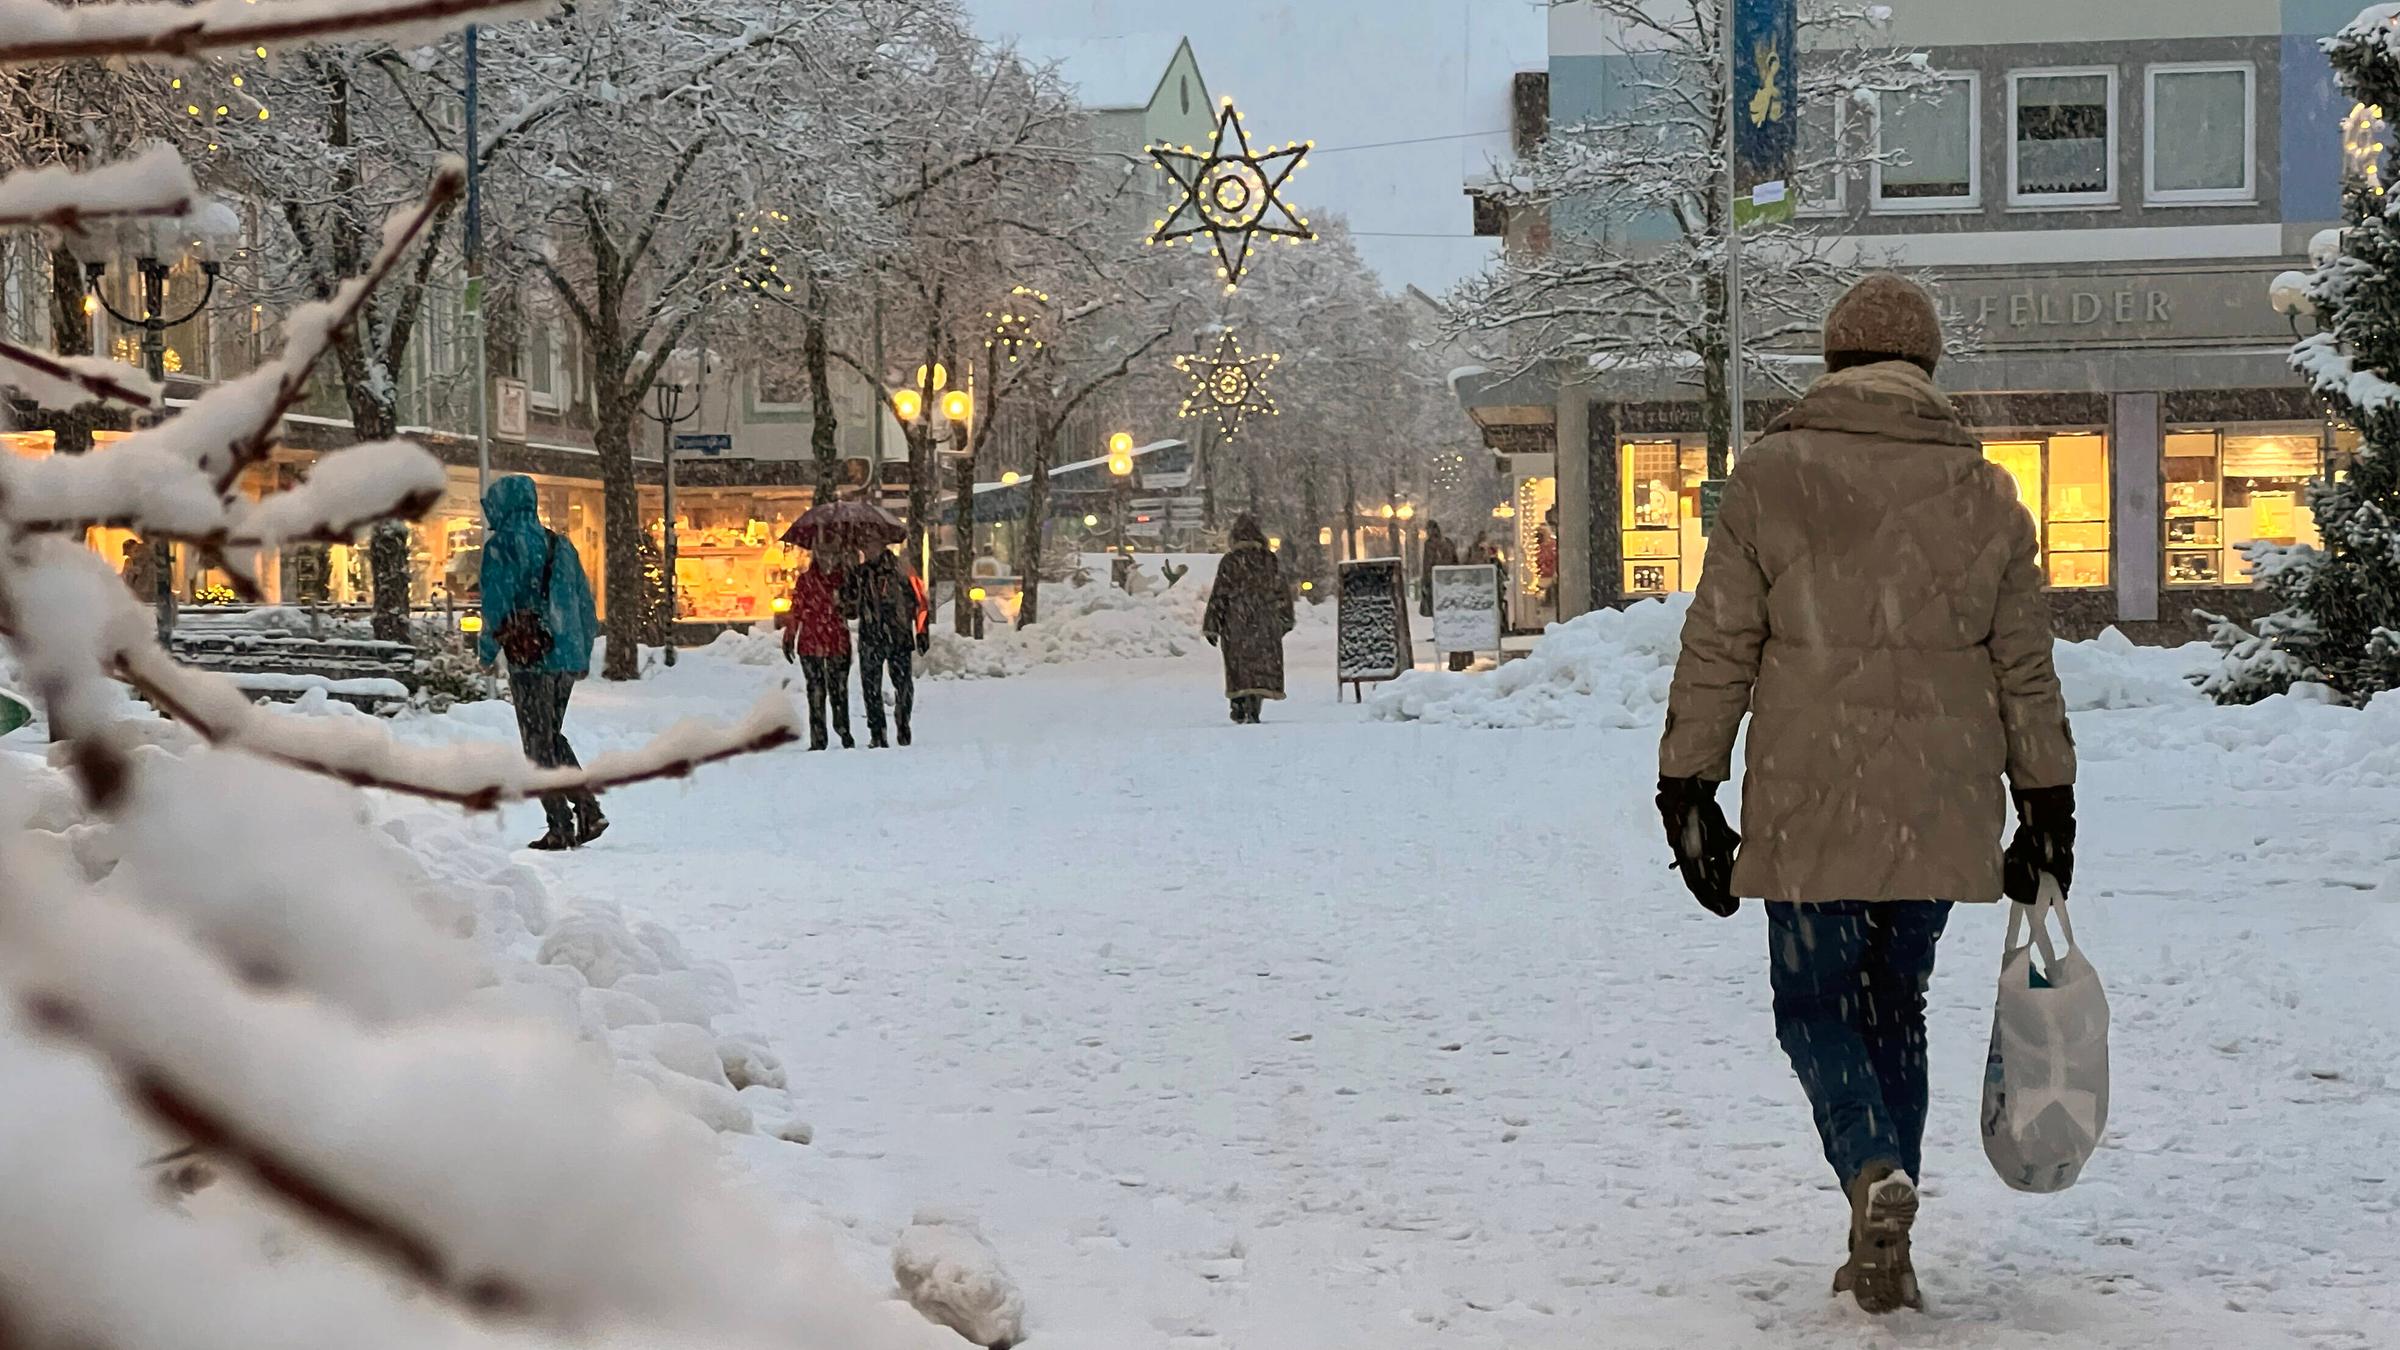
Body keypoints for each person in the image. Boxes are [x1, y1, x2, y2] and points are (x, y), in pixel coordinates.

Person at [1654, 274, 2076, 1316]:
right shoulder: (1987, 495)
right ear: (1929, 369)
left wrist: (1687, 786)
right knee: (1899, 1008)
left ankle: (1869, 1173)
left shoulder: (1771, 477)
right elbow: (2025, 667)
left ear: (1833, 362)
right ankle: (1889, 1205)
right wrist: (2049, 803)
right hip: (1936, 810)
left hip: (1810, 803)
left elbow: (1719, 643)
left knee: (1814, 1007)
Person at [477, 474, 606, 851]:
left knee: (537, 746)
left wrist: (487, 651)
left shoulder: (502, 547)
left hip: (531, 658)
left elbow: (496, 605)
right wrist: (580, 652)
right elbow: (583, 602)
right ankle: (587, 809)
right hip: (563, 657)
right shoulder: (559, 544)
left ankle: (561, 824)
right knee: (550, 738)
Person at [1202, 516, 1294, 724]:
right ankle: (1254, 706)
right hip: (1265, 620)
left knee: (1239, 666)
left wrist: (1212, 625)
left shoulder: (1230, 561)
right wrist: (1285, 619)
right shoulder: (1269, 560)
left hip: (1236, 621)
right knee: (1260, 667)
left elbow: (1220, 594)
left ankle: (1238, 703)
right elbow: (1282, 591)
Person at [841, 544, 926, 748]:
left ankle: (902, 720)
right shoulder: (861, 574)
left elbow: (920, 602)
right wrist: (850, 578)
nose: (868, 549)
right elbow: (850, 609)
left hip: (898, 635)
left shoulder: (903, 571)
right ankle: (877, 731)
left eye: (872, 543)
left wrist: (922, 631)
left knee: (903, 684)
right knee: (871, 686)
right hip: (872, 636)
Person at [779, 547, 855, 750]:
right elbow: (797, 610)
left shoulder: (844, 579)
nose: (827, 558)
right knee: (816, 692)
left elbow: (854, 610)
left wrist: (844, 602)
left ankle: (842, 729)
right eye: (823, 553)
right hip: (812, 643)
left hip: (836, 643)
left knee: (838, 691)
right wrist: (789, 635)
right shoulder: (806, 581)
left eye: (831, 553)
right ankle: (819, 738)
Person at [1420, 520, 1469, 671]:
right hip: (1450, 583)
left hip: (1437, 584)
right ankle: (1455, 650)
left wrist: (1426, 583)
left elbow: (1428, 565)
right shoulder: (1447, 542)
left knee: (1439, 614)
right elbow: (1455, 561)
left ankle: (1443, 638)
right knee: (1451, 615)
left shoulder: (1430, 544)